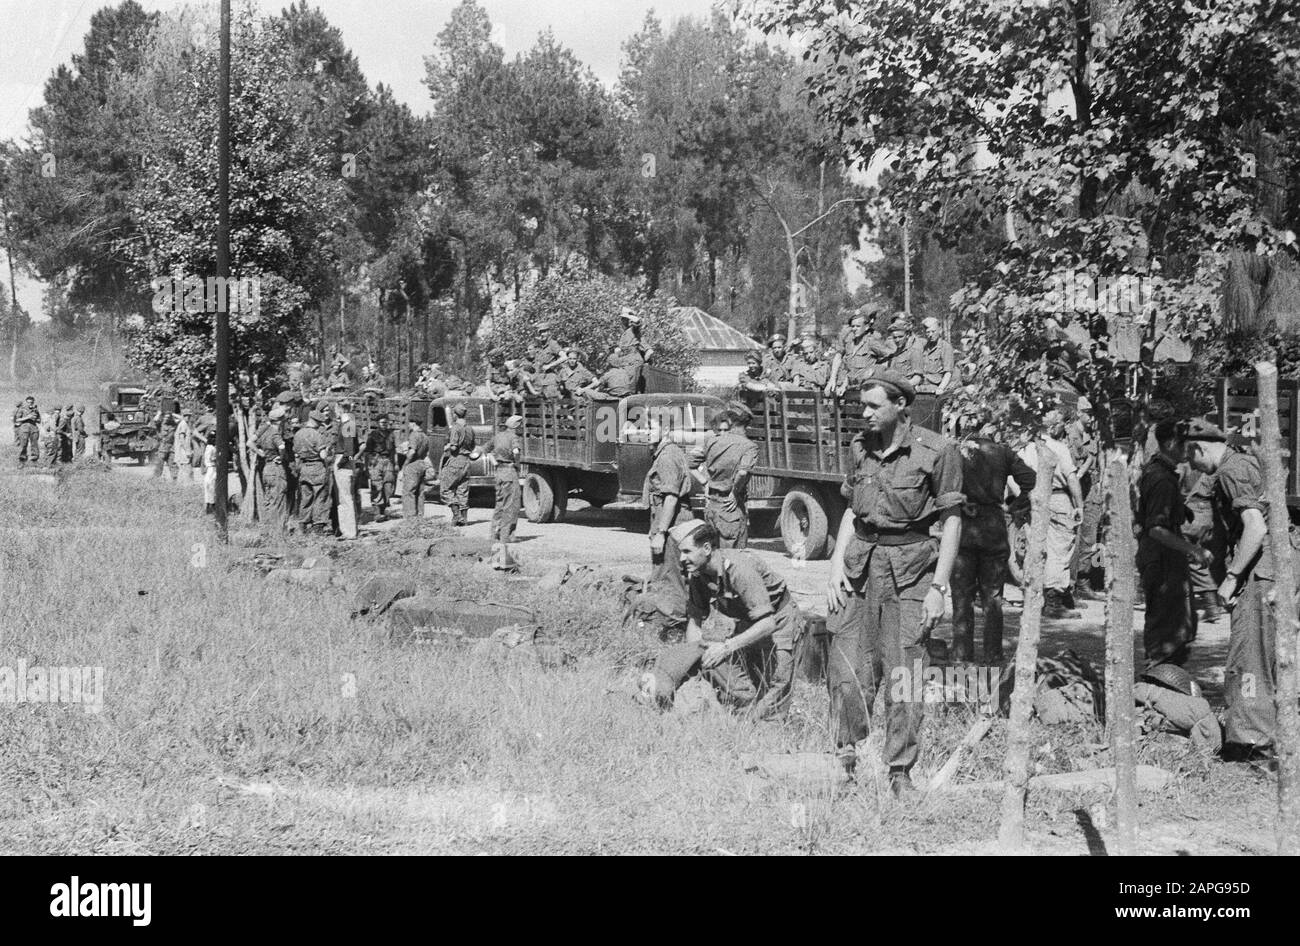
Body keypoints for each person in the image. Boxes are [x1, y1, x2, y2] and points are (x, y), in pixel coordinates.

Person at [824, 369, 964, 796]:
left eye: (872, 405)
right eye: (861, 405)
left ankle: (900, 772)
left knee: (905, 675)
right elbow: (851, 511)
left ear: (901, 405)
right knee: (847, 671)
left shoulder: (938, 451)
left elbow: (951, 519)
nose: (863, 414)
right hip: (861, 569)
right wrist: (834, 567)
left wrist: (940, 588)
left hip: (911, 573)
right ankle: (844, 762)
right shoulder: (859, 448)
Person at [1185, 418, 1280, 761]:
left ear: (1201, 448)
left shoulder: (1229, 470)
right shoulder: (1246, 462)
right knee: (1271, 655)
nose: (1192, 465)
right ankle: (1270, 734)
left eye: (1191, 455)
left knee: (1249, 655)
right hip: (1274, 569)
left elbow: (1254, 527)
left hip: (1259, 573)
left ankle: (1251, 744)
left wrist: (1230, 578)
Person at [638, 520, 801, 719]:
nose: (681, 558)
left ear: (707, 548)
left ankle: (770, 732)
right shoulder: (699, 575)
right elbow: (695, 621)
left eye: (687, 551)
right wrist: (694, 660)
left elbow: (768, 624)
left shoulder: (739, 570)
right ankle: (746, 721)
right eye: (681, 552)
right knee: (746, 676)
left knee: (776, 682)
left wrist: (726, 646)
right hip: (748, 620)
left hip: (778, 620)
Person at [951, 408, 1036, 664]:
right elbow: (1031, 479)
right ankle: (993, 654)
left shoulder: (956, 451)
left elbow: (940, 486)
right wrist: (1016, 504)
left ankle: (962, 656)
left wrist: (959, 501)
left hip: (963, 527)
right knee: (993, 598)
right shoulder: (1003, 452)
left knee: (962, 597)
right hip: (993, 527)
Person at [1136, 419, 1211, 668]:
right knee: (1166, 628)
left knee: (1179, 622)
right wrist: (1193, 549)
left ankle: (1167, 676)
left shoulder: (1160, 472)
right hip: (1162, 560)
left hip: (1164, 558)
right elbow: (1156, 529)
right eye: (1183, 444)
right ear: (1170, 444)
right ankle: (1157, 681)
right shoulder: (1161, 479)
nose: (1187, 450)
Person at [1021, 409, 1084, 619]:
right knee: (1060, 547)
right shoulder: (1058, 448)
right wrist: (1079, 504)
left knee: (1039, 547)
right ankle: (1054, 597)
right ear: (1054, 426)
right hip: (1058, 498)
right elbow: (1072, 478)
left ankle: (1047, 594)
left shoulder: (1026, 448)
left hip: (1034, 498)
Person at [646, 415, 694, 626]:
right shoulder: (669, 452)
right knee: (671, 574)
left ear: (665, 430)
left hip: (671, 522)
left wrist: (661, 533)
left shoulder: (666, 457)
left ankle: (672, 625)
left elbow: (671, 497)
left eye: (650, 427)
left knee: (669, 575)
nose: (645, 432)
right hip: (673, 519)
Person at [695, 403, 757, 549]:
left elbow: (691, 463)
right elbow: (742, 472)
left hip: (712, 506)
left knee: (712, 555)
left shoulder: (712, 441)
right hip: (730, 508)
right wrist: (735, 492)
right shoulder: (747, 445)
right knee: (733, 559)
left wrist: (705, 484)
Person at [1067, 396, 1103, 602]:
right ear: (1079, 412)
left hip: (1090, 488)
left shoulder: (1089, 433)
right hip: (1078, 488)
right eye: (1087, 413)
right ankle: (1075, 582)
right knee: (1078, 535)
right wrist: (1079, 475)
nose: (1090, 417)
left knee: (1090, 535)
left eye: (1092, 413)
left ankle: (1083, 579)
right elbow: (1077, 462)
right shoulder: (1073, 434)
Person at [1182, 464, 1228, 623]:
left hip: (1191, 511)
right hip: (1208, 512)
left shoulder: (1185, 463)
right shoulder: (1213, 464)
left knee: (1192, 558)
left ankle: (1211, 608)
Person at [829, 311, 891, 395]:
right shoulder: (850, 343)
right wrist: (843, 385)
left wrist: (877, 375)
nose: (854, 329)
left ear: (866, 327)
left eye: (858, 326)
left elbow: (888, 356)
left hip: (867, 390)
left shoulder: (871, 341)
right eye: (853, 326)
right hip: (850, 389)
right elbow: (851, 370)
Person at [491, 415, 524, 569]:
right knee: (511, 505)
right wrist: (517, 465)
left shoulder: (498, 436)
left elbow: (486, 451)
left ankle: (494, 535)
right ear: (515, 426)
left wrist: (495, 462)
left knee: (499, 504)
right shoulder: (513, 437)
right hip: (510, 472)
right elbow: (516, 452)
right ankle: (506, 537)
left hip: (498, 472)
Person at [293, 410, 332, 534]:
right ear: (317, 422)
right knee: (321, 497)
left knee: (306, 497)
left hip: (304, 467)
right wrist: (329, 454)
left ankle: (302, 525)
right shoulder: (317, 435)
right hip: (317, 467)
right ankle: (318, 526)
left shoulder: (298, 434)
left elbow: (296, 452)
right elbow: (323, 454)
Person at [439, 403, 478, 526]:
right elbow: (473, 446)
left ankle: (456, 516)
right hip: (467, 461)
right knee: (463, 490)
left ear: (455, 415)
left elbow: (454, 446)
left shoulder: (455, 427)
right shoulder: (470, 428)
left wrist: (448, 447)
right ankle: (464, 519)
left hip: (456, 460)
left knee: (445, 489)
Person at [254, 404, 288, 531]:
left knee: (269, 499)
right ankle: (278, 530)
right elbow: (282, 447)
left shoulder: (264, 431)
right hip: (275, 467)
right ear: (279, 420)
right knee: (278, 499)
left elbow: (251, 443)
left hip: (266, 467)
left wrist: (261, 453)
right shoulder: (275, 433)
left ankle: (267, 528)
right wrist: (281, 456)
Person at [362, 414, 397, 518]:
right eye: (382, 423)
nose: (384, 425)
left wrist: (396, 463)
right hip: (376, 460)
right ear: (378, 424)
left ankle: (383, 508)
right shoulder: (372, 435)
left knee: (388, 485)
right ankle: (377, 512)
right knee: (376, 485)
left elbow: (394, 450)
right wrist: (366, 466)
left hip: (388, 460)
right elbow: (367, 452)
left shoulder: (391, 435)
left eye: (386, 423)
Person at [400, 416, 432, 520]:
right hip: (422, 463)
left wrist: (404, 465)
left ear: (413, 423)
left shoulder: (414, 435)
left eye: (409, 423)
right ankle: (419, 516)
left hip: (413, 464)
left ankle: (410, 517)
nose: (408, 425)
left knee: (409, 491)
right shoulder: (425, 436)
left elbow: (412, 451)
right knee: (420, 491)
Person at [913, 317, 956, 395]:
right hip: (920, 388)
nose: (930, 335)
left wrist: (941, 388)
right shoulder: (923, 347)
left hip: (935, 389)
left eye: (933, 331)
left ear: (940, 330)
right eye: (928, 332)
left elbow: (948, 372)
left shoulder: (945, 347)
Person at [152, 406, 181, 480]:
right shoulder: (160, 424)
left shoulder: (173, 424)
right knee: (159, 464)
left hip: (171, 447)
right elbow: (155, 420)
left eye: (168, 417)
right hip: (163, 446)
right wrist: (159, 413)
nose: (167, 418)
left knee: (173, 464)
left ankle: (174, 480)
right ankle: (156, 479)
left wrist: (172, 413)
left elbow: (182, 419)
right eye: (165, 417)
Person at [15, 397, 39, 466]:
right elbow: (17, 419)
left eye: (31, 402)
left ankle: (34, 462)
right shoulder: (21, 409)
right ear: (26, 402)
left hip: (34, 429)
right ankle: (22, 461)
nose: (30, 404)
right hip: (24, 430)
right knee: (23, 445)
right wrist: (28, 417)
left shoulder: (35, 410)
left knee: (34, 446)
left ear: (33, 402)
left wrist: (35, 419)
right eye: (28, 402)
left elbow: (39, 420)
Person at [201, 427, 218, 515]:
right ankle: (211, 506)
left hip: (212, 468)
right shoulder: (210, 447)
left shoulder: (211, 447)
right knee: (211, 486)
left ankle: (210, 505)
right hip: (211, 468)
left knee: (210, 487)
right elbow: (208, 459)